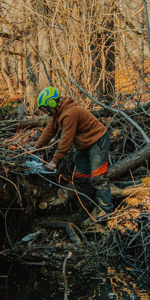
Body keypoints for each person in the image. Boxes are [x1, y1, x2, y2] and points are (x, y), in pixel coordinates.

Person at [33, 86, 114, 217]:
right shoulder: (58, 113)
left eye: (46, 108)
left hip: (97, 141)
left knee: (99, 177)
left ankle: (107, 211)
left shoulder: (69, 113)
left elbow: (66, 140)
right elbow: (49, 130)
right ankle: (85, 210)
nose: (46, 112)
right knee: (79, 178)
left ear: (52, 103)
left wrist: (54, 161)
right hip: (84, 145)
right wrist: (35, 148)